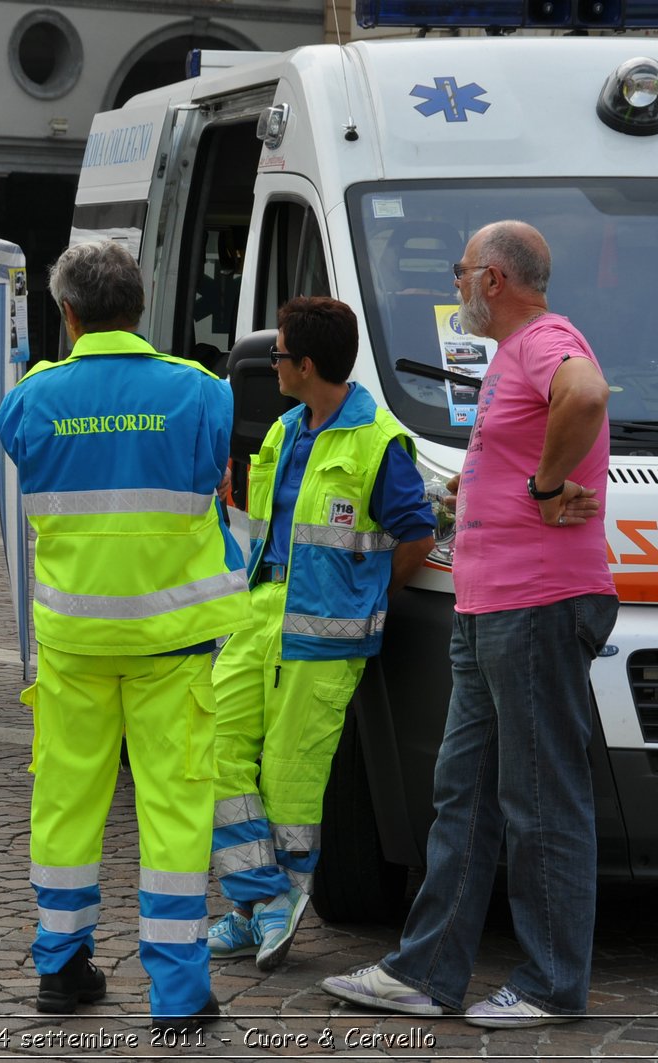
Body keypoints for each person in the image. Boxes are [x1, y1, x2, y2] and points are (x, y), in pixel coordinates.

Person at [320, 220, 617, 1028]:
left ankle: (554, 983)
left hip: (533, 606)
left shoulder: (545, 339)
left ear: (493, 279)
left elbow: (585, 396)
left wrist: (547, 484)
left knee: (539, 800)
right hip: (496, 606)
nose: (454, 288)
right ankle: (427, 971)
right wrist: (478, 496)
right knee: (467, 796)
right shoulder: (520, 352)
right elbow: (531, 450)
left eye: (459, 274)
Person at [0, 241, 251, 1031]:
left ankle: (61, 967)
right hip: (172, 640)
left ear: (66, 315)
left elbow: (23, 453)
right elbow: (214, 475)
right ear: (140, 309)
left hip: (74, 638)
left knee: (66, 801)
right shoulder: (201, 392)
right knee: (175, 808)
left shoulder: (32, 396)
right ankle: (179, 994)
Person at [205, 297, 435, 971]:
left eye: (278, 354)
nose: (272, 363)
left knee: (289, 777)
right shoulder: (283, 430)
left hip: (326, 635)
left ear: (305, 364)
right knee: (211, 744)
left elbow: (417, 534)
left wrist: (367, 595)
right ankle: (261, 896)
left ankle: (266, 908)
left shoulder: (378, 441)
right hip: (261, 615)